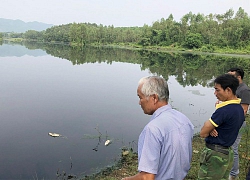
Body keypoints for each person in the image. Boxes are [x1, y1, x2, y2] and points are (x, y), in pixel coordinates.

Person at [122, 76, 194, 180]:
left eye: (140, 97)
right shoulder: (184, 120)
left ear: (154, 98)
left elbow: (147, 177)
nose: (139, 102)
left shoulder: (153, 129)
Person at [198, 74, 245, 179]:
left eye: (217, 90)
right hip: (227, 153)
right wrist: (212, 128)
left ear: (228, 90)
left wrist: (210, 128)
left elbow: (203, 133)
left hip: (216, 155)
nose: (215, 93)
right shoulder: (239, 109)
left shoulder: (224, 110)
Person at [227, 67, 250, 180]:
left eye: (231, 76)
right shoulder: (234, 88)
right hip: (231, 122)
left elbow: (244, 110)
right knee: (228, 147)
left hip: (238, 123)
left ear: (239, 77)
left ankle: (233, 174)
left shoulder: (244, 90)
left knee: (233, 148)